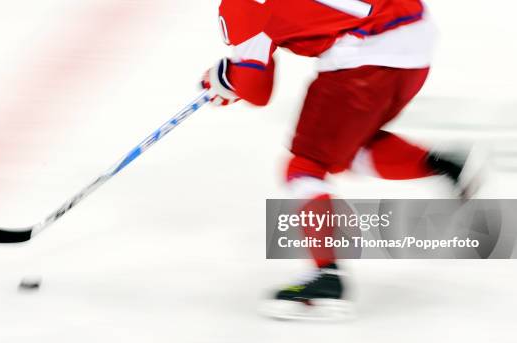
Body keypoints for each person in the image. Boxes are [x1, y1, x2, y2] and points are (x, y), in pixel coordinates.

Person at [200, 0, 473, 320]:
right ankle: (440, 164)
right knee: (345, 147)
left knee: (305, 167)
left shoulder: (242, 6)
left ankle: (326, 281)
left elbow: (257, 91)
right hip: (416, 37)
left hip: (365, 56)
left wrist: (224, 80)